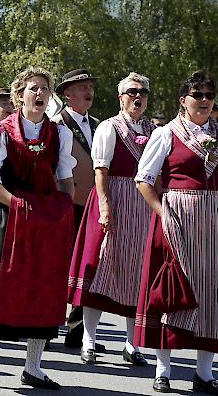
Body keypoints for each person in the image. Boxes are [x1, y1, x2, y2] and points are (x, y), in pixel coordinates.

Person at [134, 71, 218, 394]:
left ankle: (204, 373)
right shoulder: (166, 134)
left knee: (214, 295)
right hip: (177, 222)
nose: (205, 100)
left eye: (210, 95)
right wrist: (163, 213)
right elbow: (144, 179)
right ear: (183, 100)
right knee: (172, 293)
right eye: (198, 94)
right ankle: (163, 370)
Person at [0, 67, 76, 390]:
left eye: (45, 88)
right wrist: (16, 205)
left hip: (46, 217)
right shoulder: (1, 131)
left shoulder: (59, 134)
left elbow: (66, 178)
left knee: (43, 287)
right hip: (10, 214)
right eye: (33, 88)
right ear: (19, 96)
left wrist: (63, 211)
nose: (40, 94)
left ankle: (33, 367)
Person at [67, 72, 157, 366]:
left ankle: (132, 344)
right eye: (132, 91)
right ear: (121, 97)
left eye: (142, 92)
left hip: (141, 206)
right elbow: (100, 171)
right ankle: (88, 339)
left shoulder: (155, 131)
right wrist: (105, 208)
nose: (138, 96)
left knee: (138, 272)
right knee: (101, 269)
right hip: (114, 200)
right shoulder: (109, 127)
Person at [52, 68, 104, 349]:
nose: (88, 92)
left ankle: (78, 330)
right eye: (82, 87)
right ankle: (46, 326)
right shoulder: (57, 124)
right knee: (59, 265)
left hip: (92, 206)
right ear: (67, 94)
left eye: (90, 87)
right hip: (66, 203)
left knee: (88, 267)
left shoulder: (99, 125)